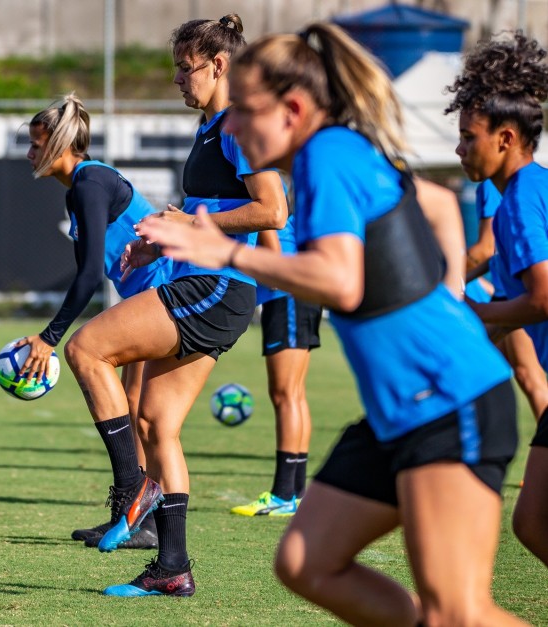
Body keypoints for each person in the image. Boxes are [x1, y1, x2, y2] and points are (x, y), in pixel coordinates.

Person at [135, 23, 524, 624]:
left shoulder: (328, 155)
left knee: (459, 613)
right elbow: (442, 205)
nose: (230, 125)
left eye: (243, 110)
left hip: (450, 403)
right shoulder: (335, 153)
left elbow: (340, 280)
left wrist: (223, 250)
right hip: (402, 411)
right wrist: (444, 295)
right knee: (306, 563)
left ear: (291, 109)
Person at [70, 14, 286, 597]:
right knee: (157, 422)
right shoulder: (213, 127)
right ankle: (172, 568)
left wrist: (191, 222)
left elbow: (272, 211)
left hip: (214, 288)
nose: (177, 81)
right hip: (208, 287)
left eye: (183, 70)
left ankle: (131, 488)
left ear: (218, 65)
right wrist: (155, 238)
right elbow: (210, 204)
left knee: (86, 348)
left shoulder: (243, 122)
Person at [13, 94, 174, 550]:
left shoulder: (90, 183)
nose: (29, 153)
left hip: (166, 294)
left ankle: (141, 518)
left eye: (35, 143)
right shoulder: (78, 190)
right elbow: (88, 272)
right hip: (148, 296)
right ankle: (133, 519)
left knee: (143, 413)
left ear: (59, 144)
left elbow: (86, 278)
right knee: (134, 407)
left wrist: (49, 337)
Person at [450, 31, 548, 569]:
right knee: (532, 522)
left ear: (505, 139)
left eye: (468, 138)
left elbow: (542, 299)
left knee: (532, 522)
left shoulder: (520, 201)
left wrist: (469, 316)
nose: (460, 149)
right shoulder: (529, 189)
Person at [231, 217, 322, 518]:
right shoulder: (270, 202)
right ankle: (295, 492)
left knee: (285, 394)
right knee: (293, 394)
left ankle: (284, 493)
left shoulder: (265, 202)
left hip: (288, 298)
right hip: (293, 297)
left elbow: (273, 261)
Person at [466, 179, 548, 421]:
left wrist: (446, 282)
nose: (461, 150)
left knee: (528, 376)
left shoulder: (495, 185)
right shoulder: (525, 185)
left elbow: (485, 248)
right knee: (477, 373)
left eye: (469, 139)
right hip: (509, 295)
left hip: (516, 297)